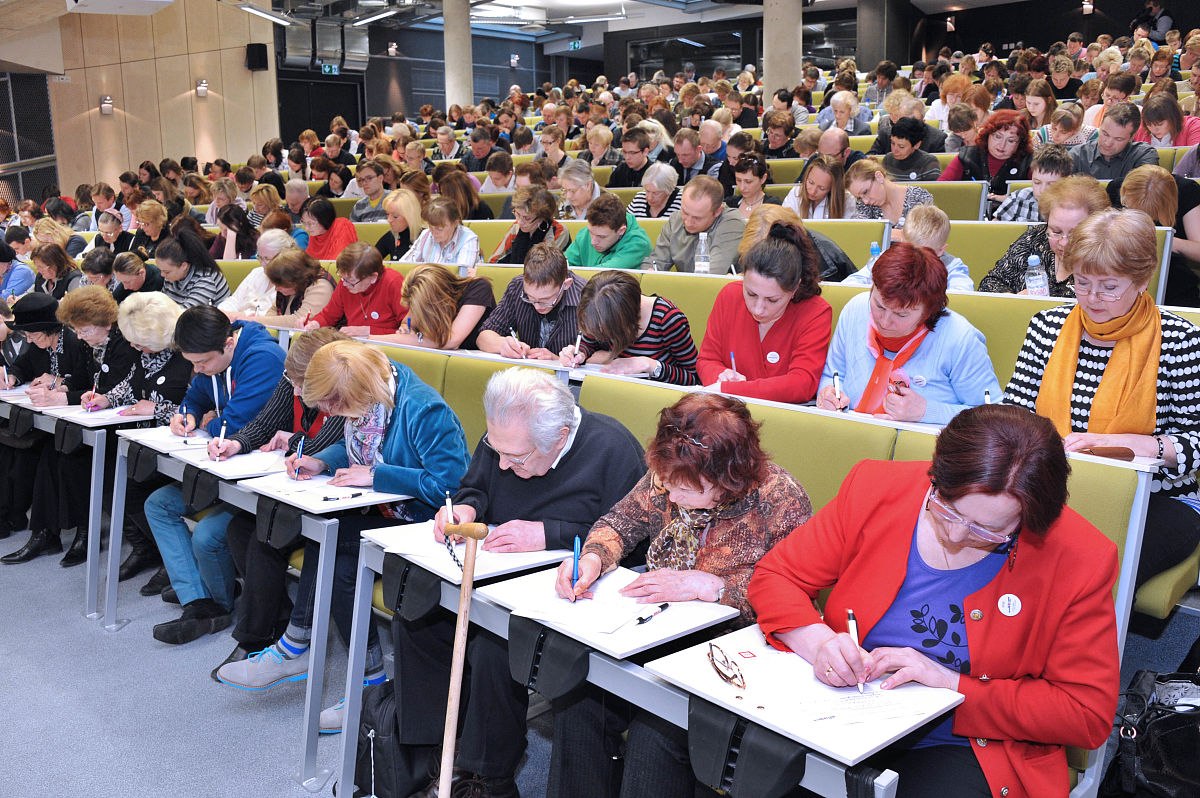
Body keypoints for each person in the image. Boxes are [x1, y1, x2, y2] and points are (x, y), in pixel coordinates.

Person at [749, 403, 1120, 798]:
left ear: (1030, 518)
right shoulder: (877, 487)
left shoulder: (1080, 558)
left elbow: (1085, 713)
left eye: (988, 530)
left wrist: (953, 684)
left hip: (966, 744)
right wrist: (820, 643)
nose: (958, 536)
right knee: (721, 751)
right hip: (843, 709)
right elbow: (777, 575)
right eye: (946, 509)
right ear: (935, 474)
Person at [393, 367, 644, 797]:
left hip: (566, 588)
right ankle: (435, 754)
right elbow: (473, 487)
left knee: (496, 645)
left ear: (560, 437)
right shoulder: (506, 432)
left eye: (517, 459)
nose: (502, 463)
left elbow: (629, 538)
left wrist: (548, 533)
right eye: (497, 451)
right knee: (416, 617)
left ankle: (484, 777)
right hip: (497, 572)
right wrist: (466, 510)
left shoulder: (613, 449)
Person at [548, 393, 814, 798]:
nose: (670, 498)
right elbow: (620, 522)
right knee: (579, 699)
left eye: (685, 491)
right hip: (655, 630)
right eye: (666, 485)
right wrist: (594, 558)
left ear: (728, 479)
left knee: (655, 732)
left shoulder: (780, 500)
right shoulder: (670, 473)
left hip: (728, 654)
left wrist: (713, 587)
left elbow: (798, 596)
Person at [217, 340, 469, 737]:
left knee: (337, 552)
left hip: (426, 527)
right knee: (327, 537)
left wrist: (377, 475)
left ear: (351, 395)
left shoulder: (423, 409)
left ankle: (333, 665)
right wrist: (323, 460)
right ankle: (319, 656)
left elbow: (453, 488)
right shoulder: (374, 389)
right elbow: (354, 445)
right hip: (384, 515)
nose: (329, 414)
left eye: (332, 406)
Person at [1006, 206, 1200, 590]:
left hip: (1157, 498)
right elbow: (1014, 412)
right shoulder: (1048, 326)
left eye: (1109, 286)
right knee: (999, 551)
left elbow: (1196, 443)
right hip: (1052, 485)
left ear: (1142, 280)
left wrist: (1125, 444)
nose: (1091, 298)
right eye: (1081, 281)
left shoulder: (1179, 340)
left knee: (1091, 573)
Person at [212, 328, 350, 679]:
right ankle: (277, 621)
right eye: (293, 382)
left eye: (303, 384)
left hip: (334, 498)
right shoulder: (294, 381)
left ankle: (253, 638)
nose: (297, 391)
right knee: (239, 528)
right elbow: (266, 422)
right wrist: (238, 443)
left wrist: (297, 439)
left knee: (264, 537)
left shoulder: (346, 388)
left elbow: (327, 444)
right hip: (299, 489)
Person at [143, 306, 286, 643]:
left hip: (258, 480)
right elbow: (194, 396)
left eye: (202, 362)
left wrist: (212, 421)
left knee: (208, 534)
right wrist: (188, 414)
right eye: (192, 363)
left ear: (229, 343)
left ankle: (219, 607)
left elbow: (235, 425)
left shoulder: (262, 358)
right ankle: (198, 598)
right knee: (157, 504)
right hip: (223, 473)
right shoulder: (212, 358)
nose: (197, 369)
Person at [0, 291, 130, 565]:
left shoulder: (109, 343)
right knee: (48, 453)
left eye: (83, 330)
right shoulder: (82, 341)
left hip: (113, 425)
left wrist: (63, 390)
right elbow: (78, 379)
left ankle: (85, 532)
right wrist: (54, 383)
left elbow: (106, 388)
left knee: (69, 456)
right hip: (80, 419)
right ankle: (44, 533)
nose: (79, 336)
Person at [817, 242, 1000, 422]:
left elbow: (993, 416)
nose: (884, 321)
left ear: (929, 311)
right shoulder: (855, 309)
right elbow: (833, 375)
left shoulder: (960, 339)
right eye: (879, 305)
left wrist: (927, 412)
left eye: (901, 314)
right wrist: (828, 395)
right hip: (852, 434)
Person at [79, 291, 192, 583]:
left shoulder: (189, 357)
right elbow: (130, 385)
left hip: (178, 447)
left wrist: (159, 408)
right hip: (143, 443)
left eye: (139, 342)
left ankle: (171, 555)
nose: (132, 346)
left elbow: (200, 409)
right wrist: (105, 398)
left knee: (130, 488)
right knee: (106, 483)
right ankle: (146, 548)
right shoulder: (145, 353)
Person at [696, 221, 831, 402]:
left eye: (772, 300)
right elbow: (706, 360)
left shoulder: (815, 312)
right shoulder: (729, 295)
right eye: (751, 294)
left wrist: (732, 389)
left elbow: (802, 384)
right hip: (727, 414)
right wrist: (721, 375)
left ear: (795, 289)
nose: (758, 309)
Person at [558, 270, 698, 384]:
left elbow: (694, 378)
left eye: (606, 331)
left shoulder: (668, 319)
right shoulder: (598, 309)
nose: (601, 335)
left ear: (627, 318)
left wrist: (649, 365)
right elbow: (587, 343)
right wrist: (578, 354)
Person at [980, 175, 1110, 297]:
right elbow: (990, 282)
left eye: (1074, 235)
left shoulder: (1106, 260)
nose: (1063, 243)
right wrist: (1013, 299)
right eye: (1056, 232)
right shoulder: (1037, 237)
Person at [1107, 164, 1200, 307]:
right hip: (1120, 273)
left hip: (1174, 278)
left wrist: (1165, 241)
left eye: (1150, 214)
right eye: (1128, 208)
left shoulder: (1187, 191)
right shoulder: (1114, 188)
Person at [845, 206, 974, 292]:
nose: (915, 259)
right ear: (901, 239)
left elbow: (962, 296)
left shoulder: (952, 266)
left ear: (941, 250)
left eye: (925, 254)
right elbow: (850, 284)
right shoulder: (887, 258)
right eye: (909, 249)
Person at [373, 264, 495, 349]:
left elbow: (451, 341)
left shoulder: (478, 288)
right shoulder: (422, 298)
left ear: (437, 299)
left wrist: (376, 338)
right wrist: (406, 328)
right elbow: (408, 321)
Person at [641, 176, 744, 273]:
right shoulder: (675, 219)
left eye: (697, 218)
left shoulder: (732, 223)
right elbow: (655, 262)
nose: (688, 222)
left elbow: (713, 273)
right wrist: (649, 272)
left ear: (717, 211)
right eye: (685, 212)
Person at [305, 241, 406, 336]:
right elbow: (328, 316)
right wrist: (314, 324)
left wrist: (368, 331)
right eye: (343, 277)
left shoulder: (394, 283)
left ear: (373, 277)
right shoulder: (346, 281)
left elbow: (408, 333)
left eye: (352, 281)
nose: (344, 284)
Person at [937, 109, 1032, 207]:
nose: (1002, 145)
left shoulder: (1029, 162)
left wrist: (1012, 198)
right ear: (988, 135)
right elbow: (940, 190)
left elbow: (1043, 197)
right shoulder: (967, 156)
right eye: (998, 137)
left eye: (1011, 141)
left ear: (1020, 143)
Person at [217, 228, 294, 320]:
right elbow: (234, 300)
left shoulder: (291, 284)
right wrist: (223, 312)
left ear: (285, 257)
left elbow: (275, 317)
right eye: (260, 257)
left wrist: (241, 315)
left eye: (267, 258)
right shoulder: (257, 272)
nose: (262, 263)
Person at [1072, 102, 1159, 180]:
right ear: (1100, 126)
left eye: (1118, 139)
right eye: (1105, 134)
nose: (1108, 143)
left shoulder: (1144, 155)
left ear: (1132, 137)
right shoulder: (1078, 155)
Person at [847, 159, 934, 237]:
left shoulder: (919, 197)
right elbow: (859, 232)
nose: (865, 201)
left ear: (879, 177)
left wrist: (879, 233)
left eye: (865, 192)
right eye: (859, 197)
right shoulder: (864, 204)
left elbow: (924, 236)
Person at [489, 186, 570, 264]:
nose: (520, 221)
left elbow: (544, 268)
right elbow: (493, 261)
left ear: (542, 217)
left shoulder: (559, 231)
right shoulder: (517, 227)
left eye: (526, 218)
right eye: (517, 214)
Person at [993, 145, 1074, 223]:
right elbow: (994, 229)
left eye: (1051, 184)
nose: (1042, 190)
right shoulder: (1018, 198)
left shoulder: (1076, 206)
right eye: (1037, 182)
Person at [259, 248, 336, 327]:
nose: (276, 289)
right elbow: (274, 310)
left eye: (279, 285)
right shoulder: (291, 286)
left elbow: (299, 321)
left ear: (296, 279)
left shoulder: (321, 286)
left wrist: (255, 320)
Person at [156, 232, 231, 309]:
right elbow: (163, 306)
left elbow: (186, 315)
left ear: (184, 266)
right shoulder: (171, 276)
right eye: (161, 270)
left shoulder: (206, 279)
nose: (162, 275)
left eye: (166, 272)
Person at [399, 196, 481, 267]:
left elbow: (462, 276)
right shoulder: (426, 234)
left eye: (440, 228)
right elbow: (404, 265)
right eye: (430, 227)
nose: (433, 232)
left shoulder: (469, 239)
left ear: (455, 223)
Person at [783, 156, 853, 220]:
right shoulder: (796, 192)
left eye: (822, 188)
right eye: (810, 182)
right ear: (806, 176)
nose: (813, 191)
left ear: (833, 189)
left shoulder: (847, 200)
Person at [882, 117, 943, 182]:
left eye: (901, 146)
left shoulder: (929, 163)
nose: (894, 150)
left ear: (917, 145)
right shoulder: (887, 160)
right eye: (892, 143)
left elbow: (931, 191)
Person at [725, 152, 781, 220]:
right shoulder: (729, 204)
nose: (742, 187)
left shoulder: (773, 206)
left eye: (748, 182)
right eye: (738, 180)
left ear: (763, 179)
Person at [374, 188, 423, 261]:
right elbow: (370, 260)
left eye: (395, 216)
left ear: (410, 216)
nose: (389, 220)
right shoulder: (391, 236)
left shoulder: (425, 238)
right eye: (387, 214)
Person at [1134, 94, 1200, 147]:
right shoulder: (1140, 130)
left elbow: (1195, 157)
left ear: (1173, 117)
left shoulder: (1193, 126)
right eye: (1149, 125)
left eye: (1160, 124)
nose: (1154, 130)